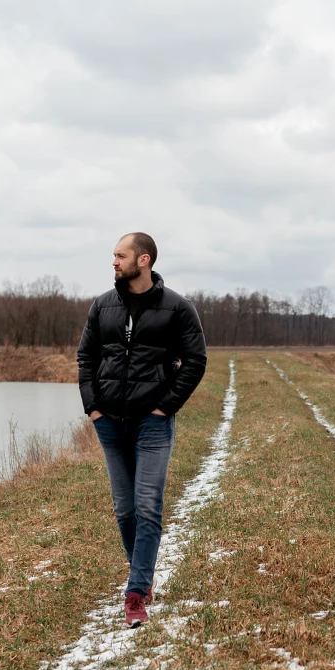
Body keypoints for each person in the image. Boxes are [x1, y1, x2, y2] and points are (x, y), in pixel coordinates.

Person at [77, 232, 207, 627]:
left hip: (152, 423)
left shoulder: (177, 308)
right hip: (110, 423)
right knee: (125, 508)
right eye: (114, 256)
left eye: (120, 256)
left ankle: (136, 593)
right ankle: (143, 573)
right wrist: (94, 408)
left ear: (144, 260)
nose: (114, 263)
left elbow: (196, 361)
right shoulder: (103, 306)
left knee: (148, 504)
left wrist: (163, 407)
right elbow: (86, 357)